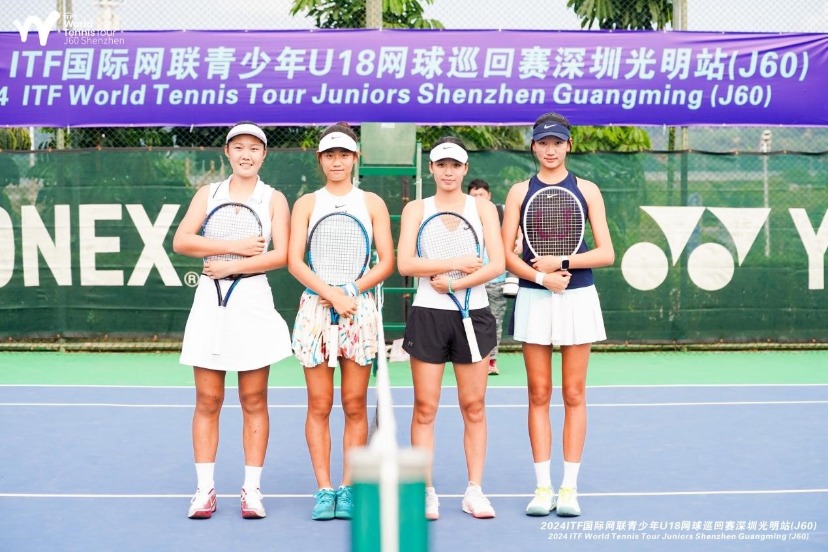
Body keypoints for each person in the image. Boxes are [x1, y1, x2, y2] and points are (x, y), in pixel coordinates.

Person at [173, 121, 293, 520]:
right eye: (238, 147)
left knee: (254, 399)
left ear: (264, 155)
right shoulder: (208, 194)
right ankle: (204, 490)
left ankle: (251, 490)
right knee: (208, 399)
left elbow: (282, 255)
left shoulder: (273, 198)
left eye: (254, 148)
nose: (246, 154)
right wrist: (234, 248)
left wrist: (233, 267)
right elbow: (182, 240)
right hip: (210, 302)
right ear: (227, 152)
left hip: (253, 301)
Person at [501, 112, 614, 518]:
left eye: (557, 142)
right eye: (543, 143)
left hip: (578, 297)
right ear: (533, 146)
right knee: (538, 393)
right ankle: (542, 487)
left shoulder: (587, 190)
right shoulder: (519, 192)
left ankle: (569, 488)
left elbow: (606, 252)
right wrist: (540, 276)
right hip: (535, 297)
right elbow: (504, 255)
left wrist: (563, 261)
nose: (550, 150)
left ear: (569, 145)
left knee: (574, 393)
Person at [287, 123, 395, 521]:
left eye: (344, 155)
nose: (337, 161)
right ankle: (324, 488)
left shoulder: (371, 203)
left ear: (355, 158)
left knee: (354, 403)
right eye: (330, 155)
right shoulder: (306, 203)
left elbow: (386, 261)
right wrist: (330, 293)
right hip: (316, 308)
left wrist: (349, 289)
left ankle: (348, 487)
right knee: (319, 404)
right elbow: (295, 261)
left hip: (359, 308)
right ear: (320, 160)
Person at [397, 137, 505, 521]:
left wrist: (456, 284)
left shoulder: (483, 209)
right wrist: (456, 263)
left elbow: (497, 264)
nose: (448, 172)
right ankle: (426, 491)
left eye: (455, 165)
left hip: (473, 315)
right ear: (431, 168)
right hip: (428, 315)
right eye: (441, 165)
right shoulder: (416, 209)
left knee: (473, 406)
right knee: (425, 407)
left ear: (464, 169)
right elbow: (406, 263)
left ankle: (474, 491)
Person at [466, 179, 507, 375]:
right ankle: (474, 358)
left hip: (497, 281)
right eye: (474, 195)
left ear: (489, 196)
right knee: (471, 323)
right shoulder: (462, 215)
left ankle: (491, 361)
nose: (478, 198)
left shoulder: (501, 213)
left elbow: (518, 234)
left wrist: (519, 242)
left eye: (481, 194)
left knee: (495, 322)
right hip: (471, 281)